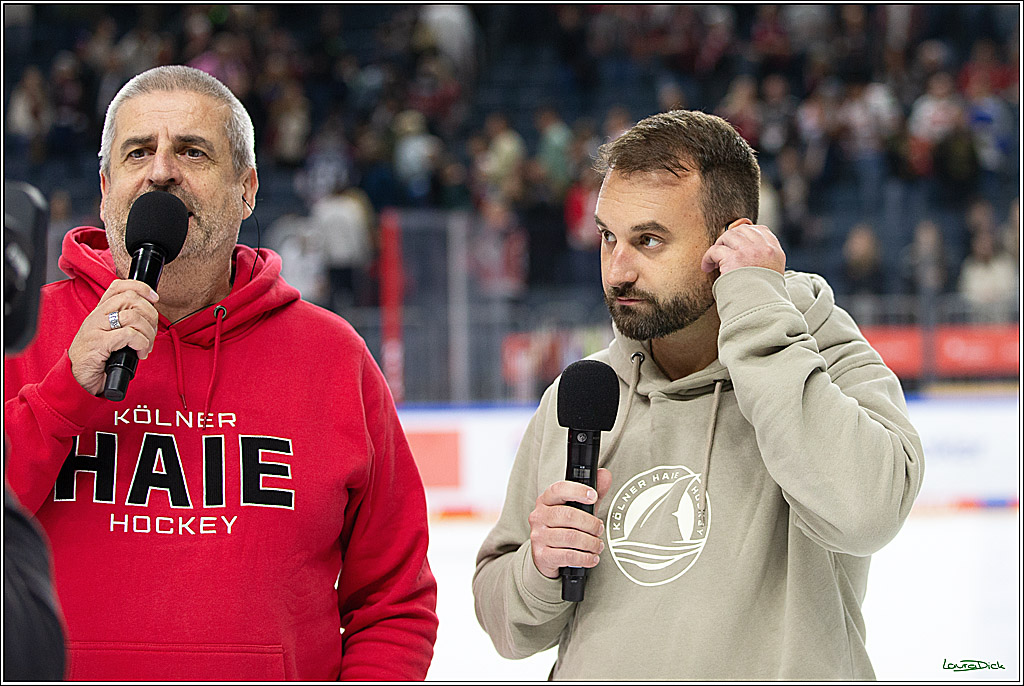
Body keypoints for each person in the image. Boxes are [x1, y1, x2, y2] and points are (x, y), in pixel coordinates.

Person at [3, 65, 437, 681]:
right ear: (105, 188)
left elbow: (394, 600)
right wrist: (62, 395)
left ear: (247, 187)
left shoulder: (333, 357)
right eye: (137, 152)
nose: (160, 171)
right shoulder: (16, 335)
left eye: (193, 151)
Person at [473, 110, 924, 680]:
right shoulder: (585, 394)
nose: (618, 271)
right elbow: (503, 624)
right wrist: (538, 570)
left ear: (732, 240)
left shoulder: (821, 354)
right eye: (608, 237)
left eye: (649, 240)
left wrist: (756, 310)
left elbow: (868, 514)